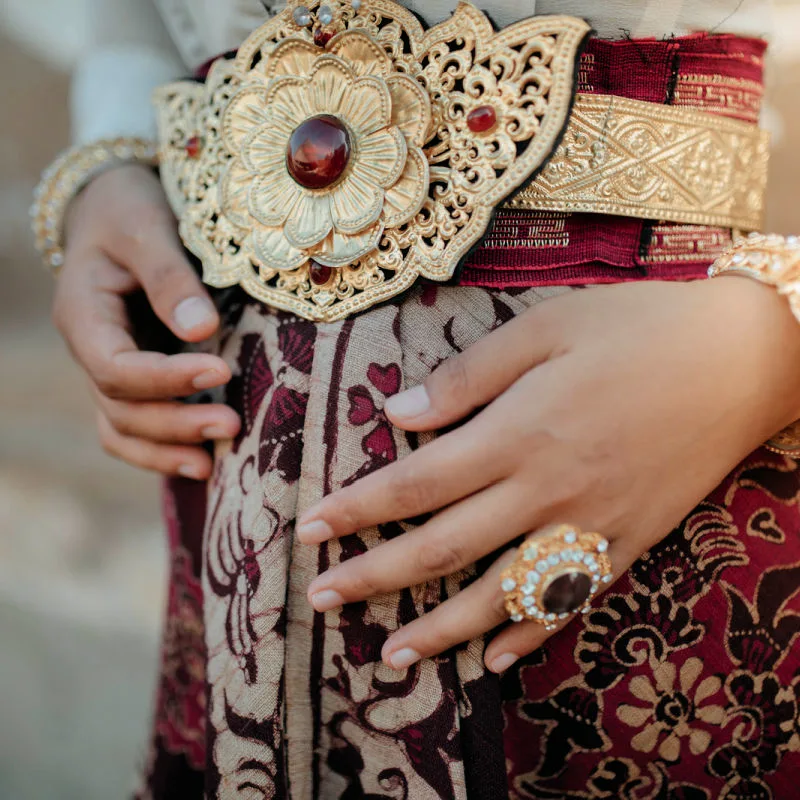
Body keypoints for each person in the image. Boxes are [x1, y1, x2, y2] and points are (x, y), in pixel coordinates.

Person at [35, 0, 800, 797]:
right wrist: (110, 167)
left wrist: (773, 343)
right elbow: (128, 26)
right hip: (245, 470)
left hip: (654, 445)